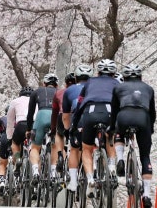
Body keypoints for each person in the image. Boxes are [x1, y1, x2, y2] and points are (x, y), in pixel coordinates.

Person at [72, 58, 121, 198]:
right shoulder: (117, 83)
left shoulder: (89, 83)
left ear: (98, 73)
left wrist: (74, 125)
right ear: (113, 73)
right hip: (109, 112)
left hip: (91, 112)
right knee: (110, 137)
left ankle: (90, 179)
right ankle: (111, 165)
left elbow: (80, 104)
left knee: (86, 148)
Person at [111, 63, 156, 208]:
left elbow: (114, 110)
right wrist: (151, 129)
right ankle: (147, 194)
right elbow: (152, 113)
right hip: (143, 118)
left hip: (124, 116)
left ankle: (120, 159)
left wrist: (113, 127)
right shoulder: (148, 89)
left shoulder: (118, 88)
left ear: (124, 77)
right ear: (140, 76)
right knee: (145, 155)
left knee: (118, 132)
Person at [63, 64, 93, 192]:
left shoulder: (69, 90)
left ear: (76, 78)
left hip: (79, 121)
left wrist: (67, 130)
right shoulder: (95, 87)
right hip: (95, 118)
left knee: (74, 149)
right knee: (91, 147)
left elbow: (65, 116)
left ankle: (74, 182)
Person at [27, 73, 59, 184]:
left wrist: (28, 129)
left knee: (35, 147)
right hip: (56, 117)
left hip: (41, 116)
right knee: (56, 146)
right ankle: (54, 172)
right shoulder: (60, 92)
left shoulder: (36, 92)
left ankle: (36, 171)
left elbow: (30, 114)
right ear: (56, 85)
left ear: (44, 84)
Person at [51, 72, 77, 178]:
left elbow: (54, 112)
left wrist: (53, 128)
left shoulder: (59, 93)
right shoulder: (81, 90)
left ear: (66, 84)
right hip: (75, 116)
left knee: (59, 134)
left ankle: (60, 155)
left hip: (61, 116)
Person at [7, 86, 34, 176]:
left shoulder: (15, 101)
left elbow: (10, 121)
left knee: (15, 144)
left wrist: (9, 137)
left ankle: (18, 159)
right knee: (36, 146)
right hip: (34, 124)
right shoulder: (36, 100)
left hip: (20, 124)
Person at [0, 105, 11, 196]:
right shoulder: (18, 118)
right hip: (16, 137)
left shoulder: (1, 119)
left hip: (5, 139)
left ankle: (2, 181)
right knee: (17, 154)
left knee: (2, 163)